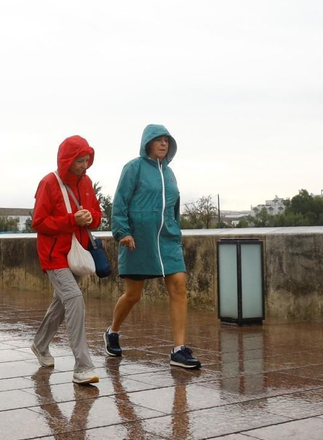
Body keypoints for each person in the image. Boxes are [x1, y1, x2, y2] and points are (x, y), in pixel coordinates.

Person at [106, 124, 199, 369]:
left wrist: (176, 231)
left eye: (166, 140)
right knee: (133, 295)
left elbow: (174, 207)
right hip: (138, 241)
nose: (163, 144)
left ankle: (178, 349)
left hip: (167, 240)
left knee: (179, 286)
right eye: (158, 140)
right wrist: (122, 232)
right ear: (147, 143)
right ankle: (113, 331)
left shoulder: (169, 173)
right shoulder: (133, 168)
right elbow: (120, 202)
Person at [30, 135, 102, 385]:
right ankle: (83, 366)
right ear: (67, 160)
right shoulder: (49, 183)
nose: (84, 165)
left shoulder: (87, 183)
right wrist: (73, 220)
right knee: (74, 299)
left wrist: (89, 216)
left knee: (61, 304)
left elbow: (97, 216)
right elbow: (38, 223)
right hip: (54, 256)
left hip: (77, 253)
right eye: (79, 160)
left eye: (86, 160)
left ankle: (39, 344)